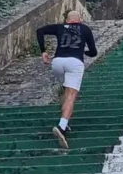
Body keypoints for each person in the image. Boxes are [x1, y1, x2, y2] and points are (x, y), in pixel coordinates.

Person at [36, 10, 98, 149]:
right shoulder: (85, 29)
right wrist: (84, 51)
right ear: (80, 19)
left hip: (57, 62)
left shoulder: (59, 27)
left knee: (65, 89)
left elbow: (40, 31)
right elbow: (93, 52)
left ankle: (65, 120)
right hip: (74, 62)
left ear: (67, 20)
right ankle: (61, 126)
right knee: (71, 94)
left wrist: (43, 51)